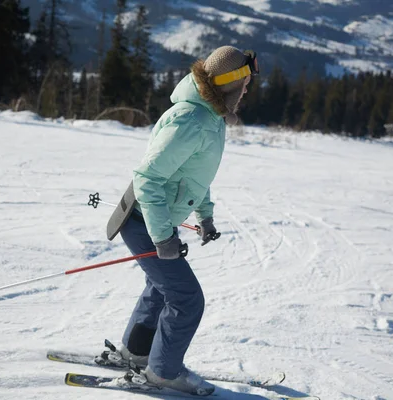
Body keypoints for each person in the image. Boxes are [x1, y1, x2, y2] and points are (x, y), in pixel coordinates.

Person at [104, 46, 259, 396]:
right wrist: (162, 237)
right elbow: (148, 177)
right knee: (187, 299)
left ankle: (138, 352)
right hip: (144, 221)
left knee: (163, 288)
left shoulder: (211, 117)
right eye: (245, 84)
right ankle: (162, 372)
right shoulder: (193, 120)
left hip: (153, 219)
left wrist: (205, 215)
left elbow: (193, 175)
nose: (248, 90)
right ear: (230, 85)